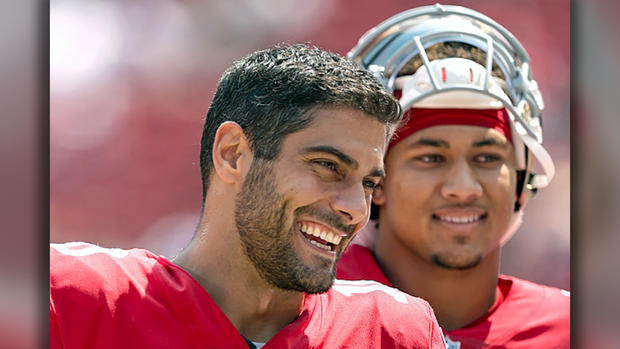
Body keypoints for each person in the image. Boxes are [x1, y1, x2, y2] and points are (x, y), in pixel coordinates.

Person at [50, 44, 446, 348]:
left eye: (368, 184)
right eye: (327, 166)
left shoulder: (392, 332)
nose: (354, 208)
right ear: (233, 154)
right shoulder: (71, 299)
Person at [336, 4, 570, 348]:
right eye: (431, 158)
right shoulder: (299, 309)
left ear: (521, 177)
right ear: (375, 179)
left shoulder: (573, 328)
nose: (463, 188)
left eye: (487, 157)